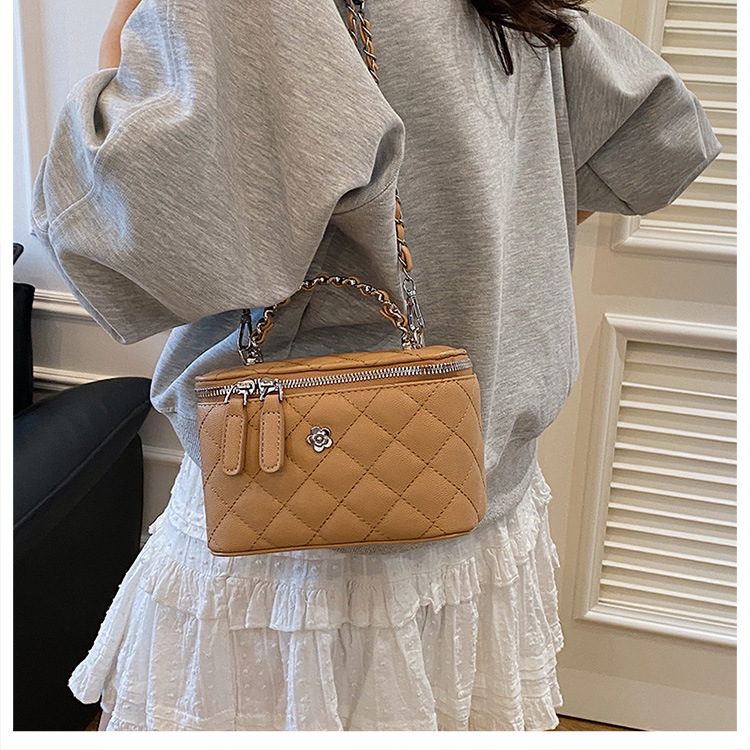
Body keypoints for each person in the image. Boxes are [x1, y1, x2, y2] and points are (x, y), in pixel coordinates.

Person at [30, 0, 720, 732]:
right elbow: (656, 130)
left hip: (299, 540)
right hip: (478, 503)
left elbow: (126, 237)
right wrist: (490, 254)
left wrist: (119, 37)